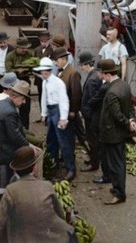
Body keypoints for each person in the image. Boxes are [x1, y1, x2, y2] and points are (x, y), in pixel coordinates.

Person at [0, 146, 74, 243]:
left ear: (15, 171)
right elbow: (59, 215)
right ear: (34, 167)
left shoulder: (11, 190)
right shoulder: (47, 186)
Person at [98, 60, 136, 205]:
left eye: (103, 74)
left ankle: (119, 194)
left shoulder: (112, 92)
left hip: (112, 134)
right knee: (118, 161)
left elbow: (117, 114)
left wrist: (128, 123)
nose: (102, 77)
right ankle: (117, 188)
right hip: (120, 133)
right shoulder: (124, 85)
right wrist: (132, 120)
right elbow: (130, 106)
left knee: (116, 164)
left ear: (108, 74)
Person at [0, 80, 31, 188]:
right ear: (14, 97)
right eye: (23, 99)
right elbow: (15, 136)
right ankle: (6, 190)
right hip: (0, 150)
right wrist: (28, 146)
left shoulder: (0, 102)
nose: (24, 102)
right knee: (7, 178)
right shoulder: (10, 112)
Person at [37, 57, 74, 181]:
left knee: (63, 141)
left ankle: (70, 169)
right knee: (51, 140)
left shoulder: (58, 83)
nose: (45, 72)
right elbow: (44, 98)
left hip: (58, 111)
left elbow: (64, 100)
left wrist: (63, 118)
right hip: (51, 111)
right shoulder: (44, 82)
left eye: (47, 70)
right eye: (43, 71)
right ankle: (53, 165)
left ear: (50, 70)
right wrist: (43, 113)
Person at [53, 47, 82, 181]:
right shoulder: (62, 72)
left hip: (68, 113)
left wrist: (73, 112)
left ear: (63, 60)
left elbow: (76, 95)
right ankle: (66, 162)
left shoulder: (72, 73)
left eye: (56, 61)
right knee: (64, 140)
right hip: (62, 111)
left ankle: (71, 170)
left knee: (68, 142)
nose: (55, 63)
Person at [79, 52, 102, 174]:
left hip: (91, 116)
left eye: (82, 65)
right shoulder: (94, 76)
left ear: (87, 64)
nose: (81, 68)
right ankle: (94, 159)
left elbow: (93, 99)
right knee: (92, 139)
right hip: (92, 115)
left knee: (93, 140)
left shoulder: (92, 79)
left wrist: (87, 110)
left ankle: (94, 164)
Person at [5, 37, 34, 129]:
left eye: (26, 48)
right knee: (11, 105)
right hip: (14, 83)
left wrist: (30, 70)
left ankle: (25, 128)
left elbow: (34, 66)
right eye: (22, 48)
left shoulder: (29, 54)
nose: (24, 50)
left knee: (25, 107)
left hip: (25, 82)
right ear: (17, 47)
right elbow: (8, 70)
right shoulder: (10, 56)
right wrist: (18, 71)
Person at [33, 30, 53, 112]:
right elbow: (34, 64)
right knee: (41, 96)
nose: (44, 43)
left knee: (49, 97)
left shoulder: (52, 50)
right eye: (42, 41)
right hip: (39, 78)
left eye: (45, 41)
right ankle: (42, 114)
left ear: (48, 40)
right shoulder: (36, 50)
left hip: (49, 77)